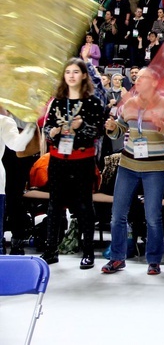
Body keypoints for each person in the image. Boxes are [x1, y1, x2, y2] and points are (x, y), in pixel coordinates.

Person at [102, 68, 164, 275]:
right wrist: (112, 128)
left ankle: (154, 260)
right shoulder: (129, 103)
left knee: (152, 216)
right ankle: (117, 258)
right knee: (117, 215)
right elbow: (119, 131)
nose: (137, 82)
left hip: (155, 168)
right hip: (128, 165)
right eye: (137, 79)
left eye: (143, 79)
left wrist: (163, 127)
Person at [41, 58, 105, 268]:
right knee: (54, 205)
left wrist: (81, 126)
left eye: (75, 72)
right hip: (58, 160)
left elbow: (97, 131)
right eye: (67, 72)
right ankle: (50, 250)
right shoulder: (58, 101)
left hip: (82, 160)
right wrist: (53, 132)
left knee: (84, 206)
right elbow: (47, 129)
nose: (71, 75)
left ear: (84, 75)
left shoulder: (93, 101)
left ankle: (88, 252)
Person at [0, 107, 35, 255]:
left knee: (15, 198)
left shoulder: (4, 121)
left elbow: (18, 145)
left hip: (0, 183)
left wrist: (31, 125)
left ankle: (17, 240)